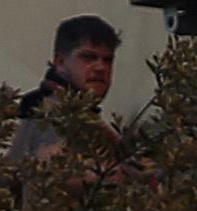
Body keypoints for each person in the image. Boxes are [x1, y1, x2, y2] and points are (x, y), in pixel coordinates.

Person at [7, 13, 122, 157]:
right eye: (88, 57)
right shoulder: (52, 114)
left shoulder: (72, 113)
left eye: (107, 60)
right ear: (60, 62)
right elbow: (61, 171)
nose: (101, 67)